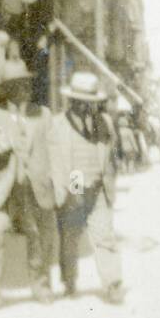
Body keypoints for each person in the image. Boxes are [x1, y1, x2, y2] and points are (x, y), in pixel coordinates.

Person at [0, 58, 59, 307]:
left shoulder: (42, 115)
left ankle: (41, 287)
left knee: (39, 238)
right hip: (1, 188)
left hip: (34, 187)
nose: (24, 88)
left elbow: (55, 151)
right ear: (4, 88)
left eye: (26, 82)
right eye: (17, 84)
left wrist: (60, 185)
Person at [48, 71, 124, 304]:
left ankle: (112, 283)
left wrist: (108, 180)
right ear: (72, 101)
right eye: (82, 103)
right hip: (76, 183)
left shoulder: (105, 122)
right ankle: (69, 280)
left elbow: (111, 152)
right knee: (70, 236)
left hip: (99, 186)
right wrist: (73, 192)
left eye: (90, 103)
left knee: (104, 236)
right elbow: (57, 161)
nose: (87, 107)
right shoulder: (59, 124)